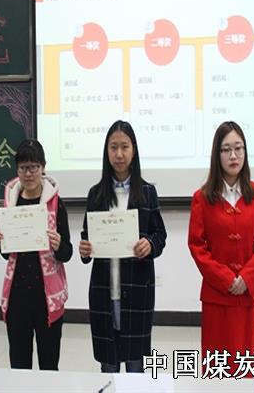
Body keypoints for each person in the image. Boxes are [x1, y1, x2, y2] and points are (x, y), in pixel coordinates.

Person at [188, 121, 254, 377]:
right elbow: (196, 246)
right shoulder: (202, 197)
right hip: (216, 294)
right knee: (217, 367)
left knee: (244, 366)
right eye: (226, 149)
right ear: (217, 155)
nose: (233, 155)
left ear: (245, 152)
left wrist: (246, 278)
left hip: (247, 295)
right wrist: (226, 278)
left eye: (238, 148)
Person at [79, 120, 167, 373]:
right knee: (108, 365)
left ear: (134, 150)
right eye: (113, 147)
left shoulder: (147, 192)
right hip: (103, 289)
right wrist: (85, 250)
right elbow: (86, 237)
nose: (119, 154)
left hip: (137, 288)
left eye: (124, 147)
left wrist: (149, 244)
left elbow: (160, 234)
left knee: (136, 365)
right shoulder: (96, 194)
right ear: (106, 151)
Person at [0, 139, 72, 370]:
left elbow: (67, 252)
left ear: (43, 168)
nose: (28, 173)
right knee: (19, 365)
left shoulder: (56, 204)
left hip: (46, 297)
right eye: (23, 168)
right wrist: (2, 243)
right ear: (17, 169)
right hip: (17, 296)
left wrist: (59, 244)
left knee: (49, 365)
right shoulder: (11, 203)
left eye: (33, 167)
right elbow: (7, 256)